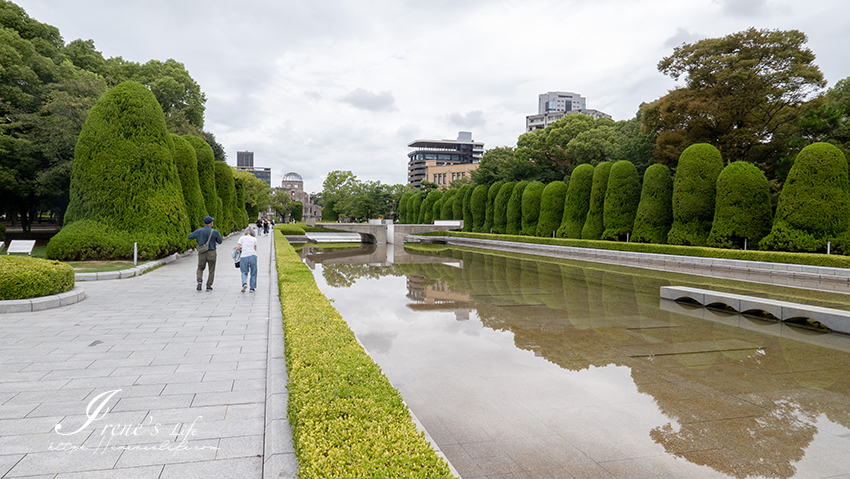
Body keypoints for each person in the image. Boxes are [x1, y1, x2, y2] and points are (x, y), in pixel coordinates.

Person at [188, 216, 223, 291]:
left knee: (200, 267)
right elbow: (220, 241)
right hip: (212, 252)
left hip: (202, 252)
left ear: (204, 223)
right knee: (211, 270)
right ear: (211, 223)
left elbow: (190, 236)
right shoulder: (215, 232)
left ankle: (199, 281)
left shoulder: (199, 231)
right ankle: (209, 286)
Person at [236, 227, 258, 293]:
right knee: (253, 272)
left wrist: (241, 248)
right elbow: (255, 249)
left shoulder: (241, 238)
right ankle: (252, 288)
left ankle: (244, 283)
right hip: (253, 256)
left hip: (244, 256)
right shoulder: (254, 239)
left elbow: (237, 248)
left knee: (244, 272)